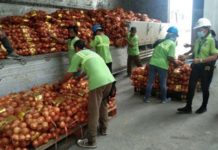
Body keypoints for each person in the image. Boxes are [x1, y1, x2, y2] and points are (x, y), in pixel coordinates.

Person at [56, 40, 115, 148]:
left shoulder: (77, 55)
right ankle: (103, 129)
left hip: (98, 83)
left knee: (93, 111)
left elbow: (70, 73)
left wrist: (59, 83)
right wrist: (80, 77)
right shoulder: (92, 53)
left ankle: (91, 141)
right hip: (110, 80)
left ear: (76, 48)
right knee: (103, 105)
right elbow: (89, 69)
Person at [177, 18, 218, 114]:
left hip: (206, 67)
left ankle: (204, 107)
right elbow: (194, 53)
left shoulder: (211, 41)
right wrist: (185, 56)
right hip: (196, 66)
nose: (198, 31)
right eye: (198, 30)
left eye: (200, 29)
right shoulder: (198, 40)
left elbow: (215, 56)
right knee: (191, 86)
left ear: (207, 28)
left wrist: (201, 60)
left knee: (204, 88)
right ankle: (188, 107)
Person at [144, 26, 179, 103]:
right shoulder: (172, 44)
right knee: (163, 83)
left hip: (152, 62)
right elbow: (170, 57)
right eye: (176, 36)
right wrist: (176, 64)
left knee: (150, 81)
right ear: (174, 36)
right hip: (162, 65)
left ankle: (146, 98)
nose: (176, 38)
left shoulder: (161, 42)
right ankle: (163, 99)